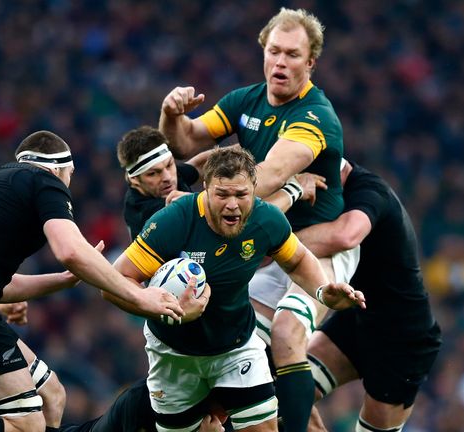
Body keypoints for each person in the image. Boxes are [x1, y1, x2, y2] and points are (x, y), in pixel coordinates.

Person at [0, 130, 184, 432]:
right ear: (59, 168)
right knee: (26, 424)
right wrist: (140, 297)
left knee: (51, 396)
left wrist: (61, 280)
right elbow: (70, 250)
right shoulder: (43, 179)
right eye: (70, 175)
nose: (68, 186)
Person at [158, 8, 351, 431]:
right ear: (263, 52)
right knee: (241, 343)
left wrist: (195, 203)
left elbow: (264, 180)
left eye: (293, 55)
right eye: (274, 52)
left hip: (320, 249)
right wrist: (171, 114)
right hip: (271, 246)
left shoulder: (315, 116)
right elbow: (185, 139)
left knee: (284, 336)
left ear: (310, 63)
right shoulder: (245, 100)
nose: (281, 62)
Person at [104, 147, 364, 432]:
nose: (232, 205)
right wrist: (162, 307)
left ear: (254, 189)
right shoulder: (174, 221)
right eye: (222, 195)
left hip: (236, 348)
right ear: (205, 189)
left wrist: (323, 291)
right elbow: (116, 283)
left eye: (241, 195)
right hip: (172, 355)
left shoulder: (266, 220)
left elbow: (298, 259)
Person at [294, 161, 441, 432]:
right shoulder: (309, 194)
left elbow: (345, 236)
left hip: (402, 338)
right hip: (358, 317)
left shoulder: (371, 191)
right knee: (287, 394)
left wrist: (275, 239)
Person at [116, 125, 210, 239]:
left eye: (169, 165)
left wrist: (235, 152)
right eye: (153, 174)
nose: (167, 177)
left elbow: (200, 165)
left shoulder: (165, 174)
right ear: (134, 179)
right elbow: (187, 207)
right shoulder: (144, 212)